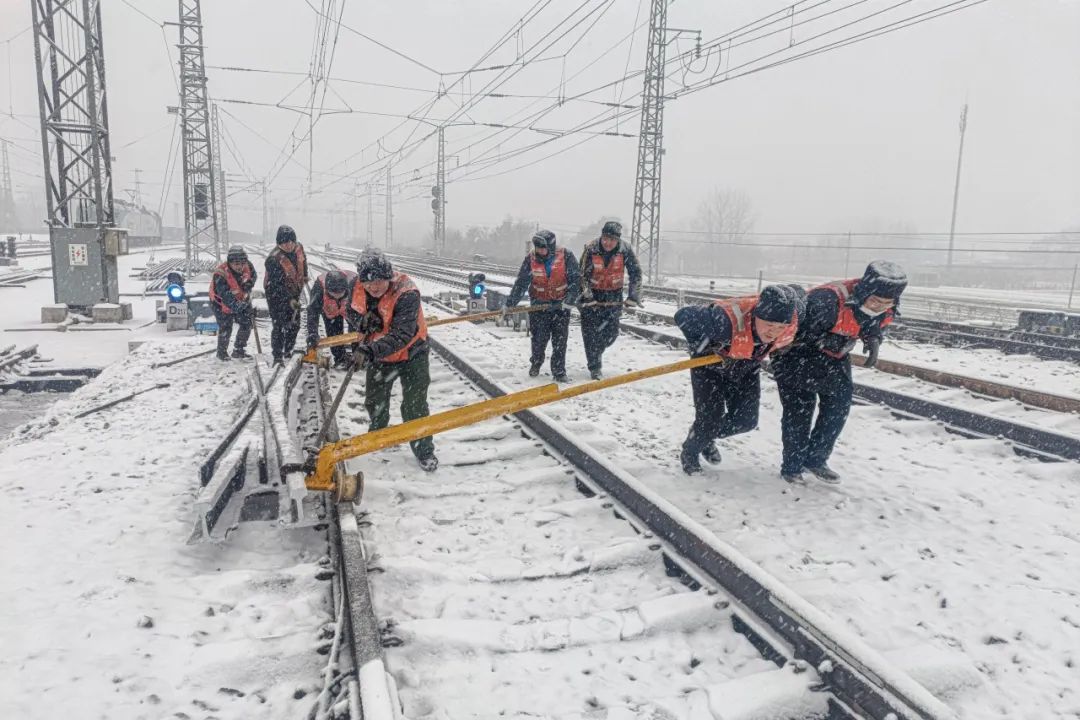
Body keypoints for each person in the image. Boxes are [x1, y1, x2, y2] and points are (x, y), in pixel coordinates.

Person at [772, 261, 907, 484]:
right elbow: (791, 333)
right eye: (875, 301)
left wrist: (873, 337)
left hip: (834, 356)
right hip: (795, 355)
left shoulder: (886, 308)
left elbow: (872, 322)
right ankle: (792, 466)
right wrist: (825, 339)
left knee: (838, 407)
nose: (879, 307)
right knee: (800, 411)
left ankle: (815, 459)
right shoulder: (827, 300)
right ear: (864, 292)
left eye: (886, 303)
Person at [674, 285, 800, 474]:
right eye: (769, 325)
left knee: (745, 421)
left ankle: (704, 436)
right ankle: (690, 452)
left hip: (746, 366)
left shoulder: (793, 321)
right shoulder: (723, 321)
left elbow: (803, 297)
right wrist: (707, 347)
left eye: (780, 327)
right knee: (710, 420)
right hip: (710, 366)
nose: (774, 332)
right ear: (756, 315)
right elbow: (682, 316)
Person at [347, 248, 437, 472]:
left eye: (379, 281)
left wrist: (368, 351)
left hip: (412, 353)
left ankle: (423, 449)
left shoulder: (407, 293)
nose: (374, 287)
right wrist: (363, 319)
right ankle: (379, 435)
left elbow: (402, 335)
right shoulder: (357, 286)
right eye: (369, 283)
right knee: (375, 399)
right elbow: (349, 310)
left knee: (415, 405)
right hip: (380, 354)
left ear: (388, 277)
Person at [504, 229, 580, 382]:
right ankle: (536, 362)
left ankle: (559, 371)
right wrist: (510, 304)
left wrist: (570, 300)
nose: (540, 251)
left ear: (551, 247)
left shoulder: (566, 255)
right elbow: (521, 283)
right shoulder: (530, 259)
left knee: (560, 340)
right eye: (537, 247)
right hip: (539, 306)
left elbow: (575, 280)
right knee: (539, 339)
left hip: (560, 307)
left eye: (543, 248)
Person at [578, 220, 643, 379]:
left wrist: (633, 297)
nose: (608, 243)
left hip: (614, 296)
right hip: (591, 297)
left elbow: (636, 273)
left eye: (612, 240)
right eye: (605, 239)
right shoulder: (590, 248)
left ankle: (597, 351)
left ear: (618, 240)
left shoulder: (625, 249)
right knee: (590, 333)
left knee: (611, 334)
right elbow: (582, 276)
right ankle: (595, 366)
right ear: (601, 236)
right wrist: (588, 297)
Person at [264, 224, 308, 365]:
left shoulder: (299, 249)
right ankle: (277, 355)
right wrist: (289, 300)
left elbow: (303, 264)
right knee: (280, 324)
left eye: (291, 242)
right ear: (279, 244)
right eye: (284, 242)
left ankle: (288, 350)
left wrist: (304, 277)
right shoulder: (273, 259)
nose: (288, 245)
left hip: (293, 291)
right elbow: (277, 286)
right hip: (275, 295)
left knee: (294, 323)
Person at [208, 246, 257, 361]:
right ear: (229, 263)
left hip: (241, 298)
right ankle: (222, 353)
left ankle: (239, 350)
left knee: (246, 323)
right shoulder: (221, 274)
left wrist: (249, 284)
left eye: (241, 263)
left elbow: (253, 275)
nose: (239, 267)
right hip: (219, 303)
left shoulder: (248, 265)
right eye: (236, 264)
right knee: (226, 327)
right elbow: (226, 297)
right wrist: (239, 306)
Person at [306, 268, 357, 369]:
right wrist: (313, 333)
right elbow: (312, 313)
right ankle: (340, 358)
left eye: (340, 294)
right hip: (330, 309)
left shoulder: (354, 285)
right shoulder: (319, 289)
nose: (337, 297)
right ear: (327, 290)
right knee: (334, 331)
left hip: (350, 307)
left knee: (357, 329)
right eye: (334, 295)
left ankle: (359, 356)